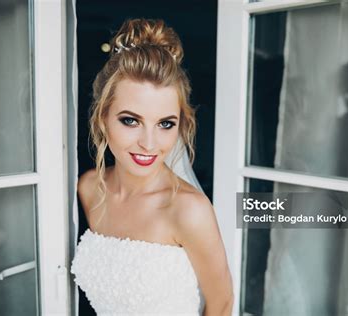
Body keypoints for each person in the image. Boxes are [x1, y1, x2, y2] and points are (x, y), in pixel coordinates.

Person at [70, 18, 233, 316]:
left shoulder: (189, 210)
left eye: (165, 124)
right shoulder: (89, 187)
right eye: (130, 120)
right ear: (103, 118)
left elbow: (221, 304)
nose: (149, 143)